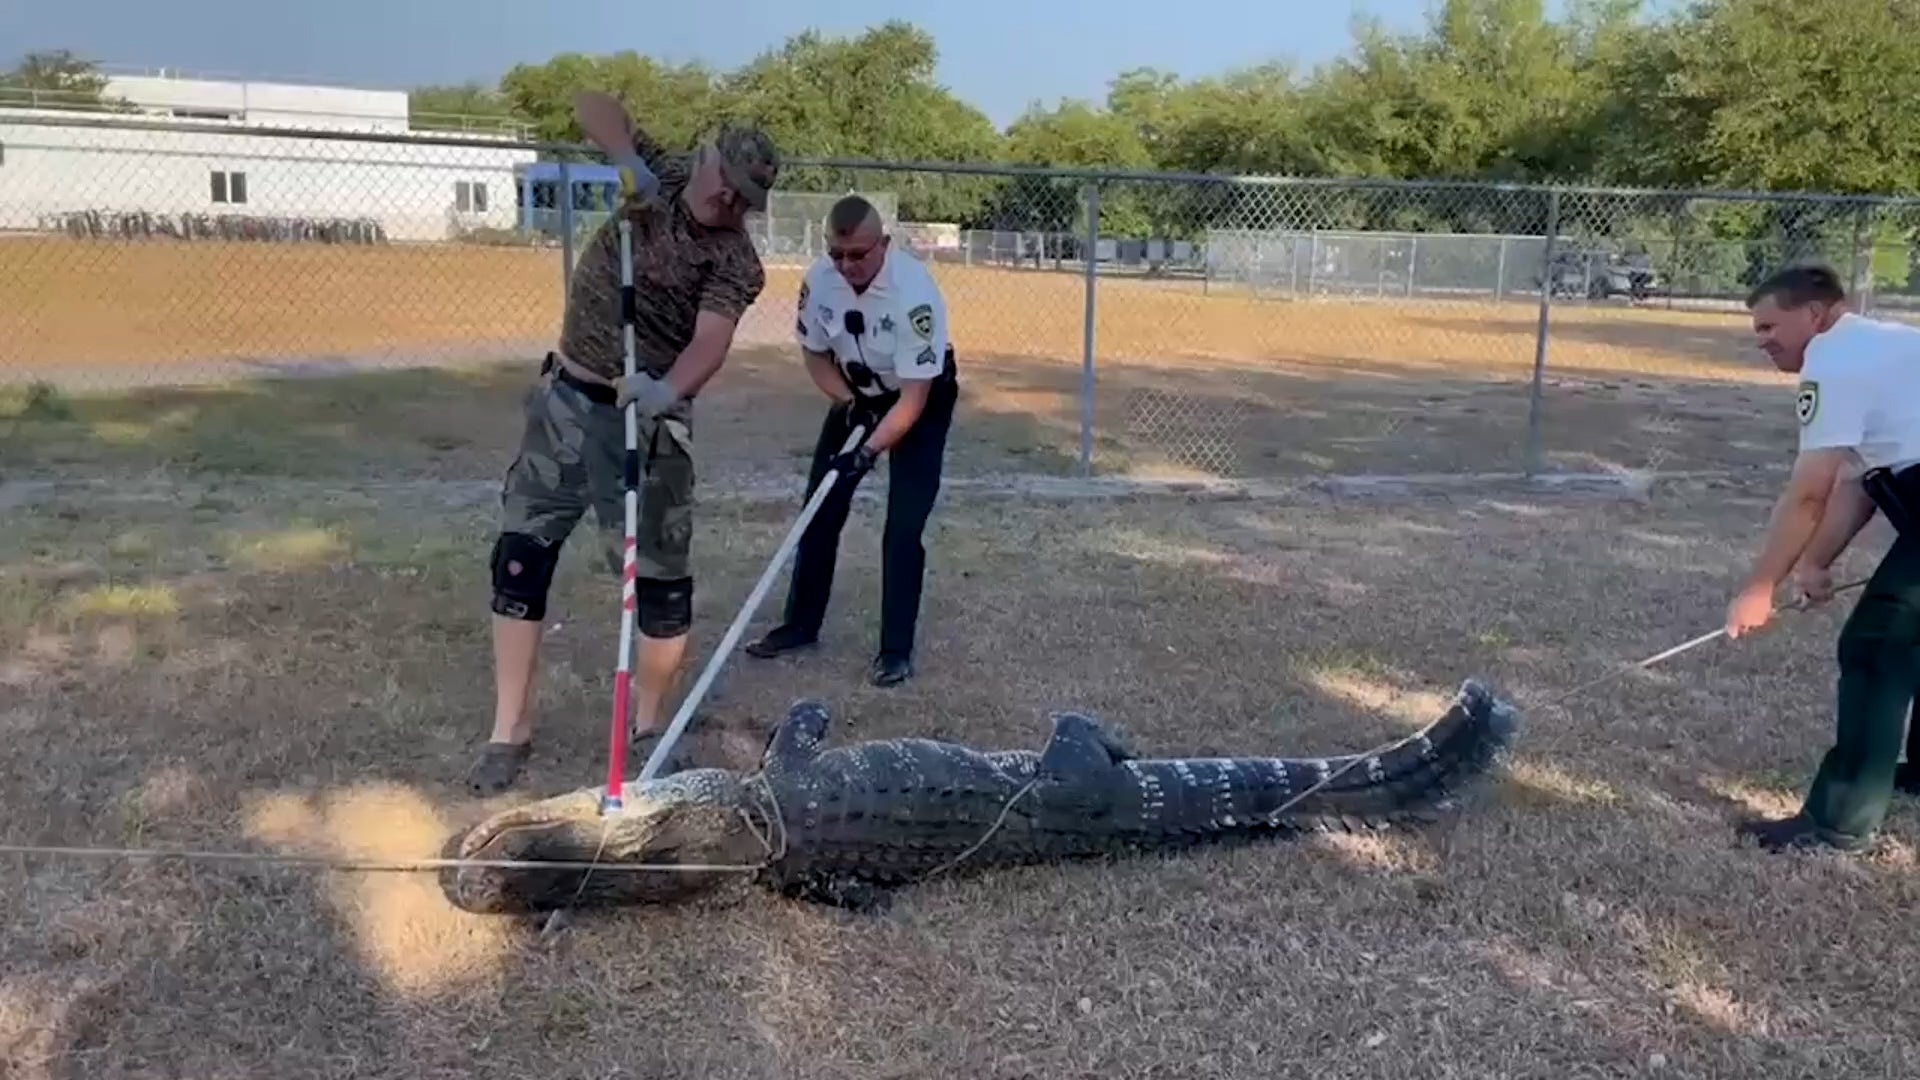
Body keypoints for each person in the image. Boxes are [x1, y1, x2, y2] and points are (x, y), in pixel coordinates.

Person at [467, 91, 780, 794]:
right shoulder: (662, 172)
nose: (729, 201)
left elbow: (711, 340)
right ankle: (508, 731)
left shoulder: (736, 260)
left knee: (659, 582)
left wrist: (667, 390)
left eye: (746, 199)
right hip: (565, 402)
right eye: (725, 183)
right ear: (704, 158)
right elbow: (590, 103)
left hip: (646, 421)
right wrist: (624, 158)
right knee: (520, 558)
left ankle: (648, 731)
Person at [1724, 262, 1920, 851]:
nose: (1762, 341)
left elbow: (1809, 493)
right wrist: (1814, 563)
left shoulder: (1832, 362)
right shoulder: (1880, 348)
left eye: (1769, 326)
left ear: (1814, 314)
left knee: (1878, 642)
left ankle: (1839, 823)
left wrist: (1760, 586)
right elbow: (1861, 481)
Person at [743, 194, 959, 687]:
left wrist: (865, 452)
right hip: (857, 395)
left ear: (883, 243)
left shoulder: (914, 294)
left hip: (918, 399)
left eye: (858, 255)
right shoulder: (820, 281)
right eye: (836, 254)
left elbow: (913, 400)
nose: (846, 265)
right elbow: (816, 356)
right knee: (820, 508)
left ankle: (895, 651)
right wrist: (848, 404)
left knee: (903, 527)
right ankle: (800, 625)